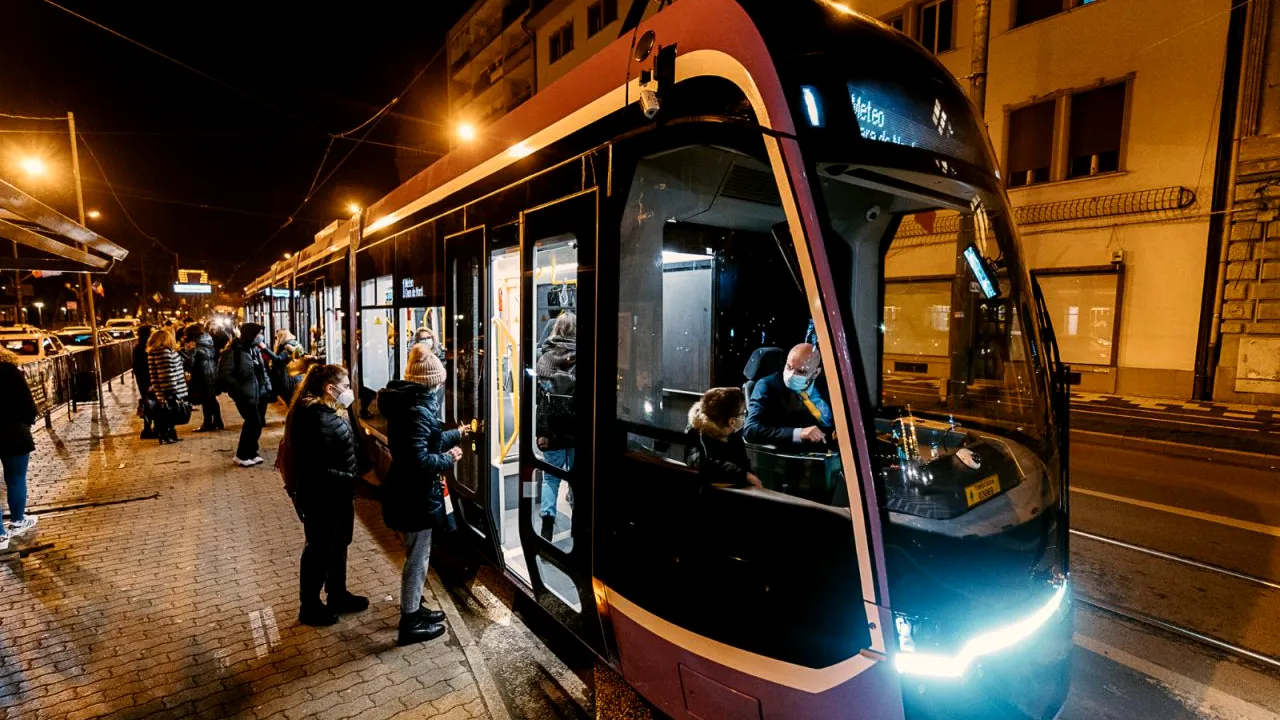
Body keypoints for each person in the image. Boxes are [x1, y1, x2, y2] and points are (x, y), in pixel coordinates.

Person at [378, 346, 468, 646]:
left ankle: (415, 608)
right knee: (417, 559)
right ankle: (410, 622)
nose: (442, 384)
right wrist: (449, 458)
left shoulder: (409, 404)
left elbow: (427, 440)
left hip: (409, 493)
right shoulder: (416, 411)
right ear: (431, 381)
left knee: (419, 554)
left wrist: (456, 434)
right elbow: (418, 459)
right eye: (439, 379)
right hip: (413, 496)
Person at [285, 364, 367, 627]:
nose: (350, 391)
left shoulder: (325, 413)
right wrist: (352, 479)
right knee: (319, 550)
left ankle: (337, 594)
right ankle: (309, 606)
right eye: (345, 386)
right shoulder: (316, 418)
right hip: (323, 497)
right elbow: (315, 468)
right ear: (329, 389)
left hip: (336, 494)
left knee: (337, 545)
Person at [743, 343, 834, 450]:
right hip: (801, 454)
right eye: (789, 367)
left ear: (815, 373)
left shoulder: (828, 384)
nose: (791, 375)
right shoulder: (768, 385)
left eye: (800, 371)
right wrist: (799, 433)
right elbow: (750, 430)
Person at [534, 312, 576, 541]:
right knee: (577, 478)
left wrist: (541, 432)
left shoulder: (545, 358)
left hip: (552, 429)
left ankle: (547, 526)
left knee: (551, 479)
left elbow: (541, 398)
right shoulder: (586, 356)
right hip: (577, 430)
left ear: (555, 328)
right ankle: (578, 524)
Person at [218, 322, 273, 466]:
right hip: (245, 394)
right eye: (258, 334)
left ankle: (252, 452)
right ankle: (241, 455)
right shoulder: (232, 351)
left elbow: (262, 370)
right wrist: (239, 389)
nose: (261, 336)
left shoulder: (254, 349)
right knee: (252, 422)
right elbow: (225, 374)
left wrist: (267, 387)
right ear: (251, 335)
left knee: (258, 423)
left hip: (261, 393)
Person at [0, 346, 39, 549]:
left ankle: (0, 535)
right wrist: (28, 421)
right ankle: (17, 520)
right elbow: (26, 401)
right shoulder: (9, 370)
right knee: (16, 478)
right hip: (14, 431)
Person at [686, 387, 761, 488]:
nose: (745, 416)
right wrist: (743, 475)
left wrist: (750, 476)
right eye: (743, 413)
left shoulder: (734, 435)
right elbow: (700, 463)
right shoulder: (697, 433)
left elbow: (744, 465)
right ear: (732, 421)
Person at [147, 328, 189, 445]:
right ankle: (166, 433)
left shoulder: (155, 352)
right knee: (169, 411)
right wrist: (171, 390)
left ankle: (168, 433)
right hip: (169, 388)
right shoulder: (164, 352)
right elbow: (167, 372)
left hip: (164, 388)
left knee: (167, 411)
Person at [184, 324, 223, 432]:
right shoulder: (208, 341)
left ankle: (208, 423)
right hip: (211, 370)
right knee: (211, 398)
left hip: (202, 373)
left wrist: (189, 351)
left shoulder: (196, 345)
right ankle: (218, 421)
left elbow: (190, 362)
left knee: (206, 399)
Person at [133, 325, 156, 440]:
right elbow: (142, 367)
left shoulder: (141, 346)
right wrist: (149, 382)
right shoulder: (142, 348)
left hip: (145, 379)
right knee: (149, 403)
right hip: (146, 379)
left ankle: (150, 428)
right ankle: (147, 429)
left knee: (151, 402)